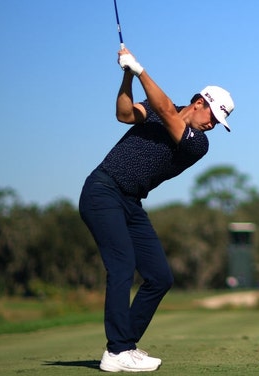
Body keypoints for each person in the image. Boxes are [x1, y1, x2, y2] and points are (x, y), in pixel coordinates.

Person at [79, 47, 235, 372]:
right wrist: (126, 74)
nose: (213, 125)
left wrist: (140, 69)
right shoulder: (155, 108)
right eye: (214, 117)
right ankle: (117, 350)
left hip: (131, 203)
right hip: (104, 190)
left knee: (160, 277)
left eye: (219, 122)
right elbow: (124, 113)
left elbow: (165, 112)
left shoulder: (197, 143)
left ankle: (125, 346)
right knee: (122, 267)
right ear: (199, 103)